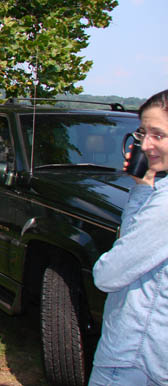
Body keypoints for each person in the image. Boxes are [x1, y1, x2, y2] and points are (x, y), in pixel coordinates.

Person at [88, 89, 168, 386]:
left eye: (158, 135)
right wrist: (144, 187)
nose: (145, 145)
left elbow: (108, 275)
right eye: (142, 132)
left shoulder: (164, 206)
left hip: (134, 357)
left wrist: (141, 194)